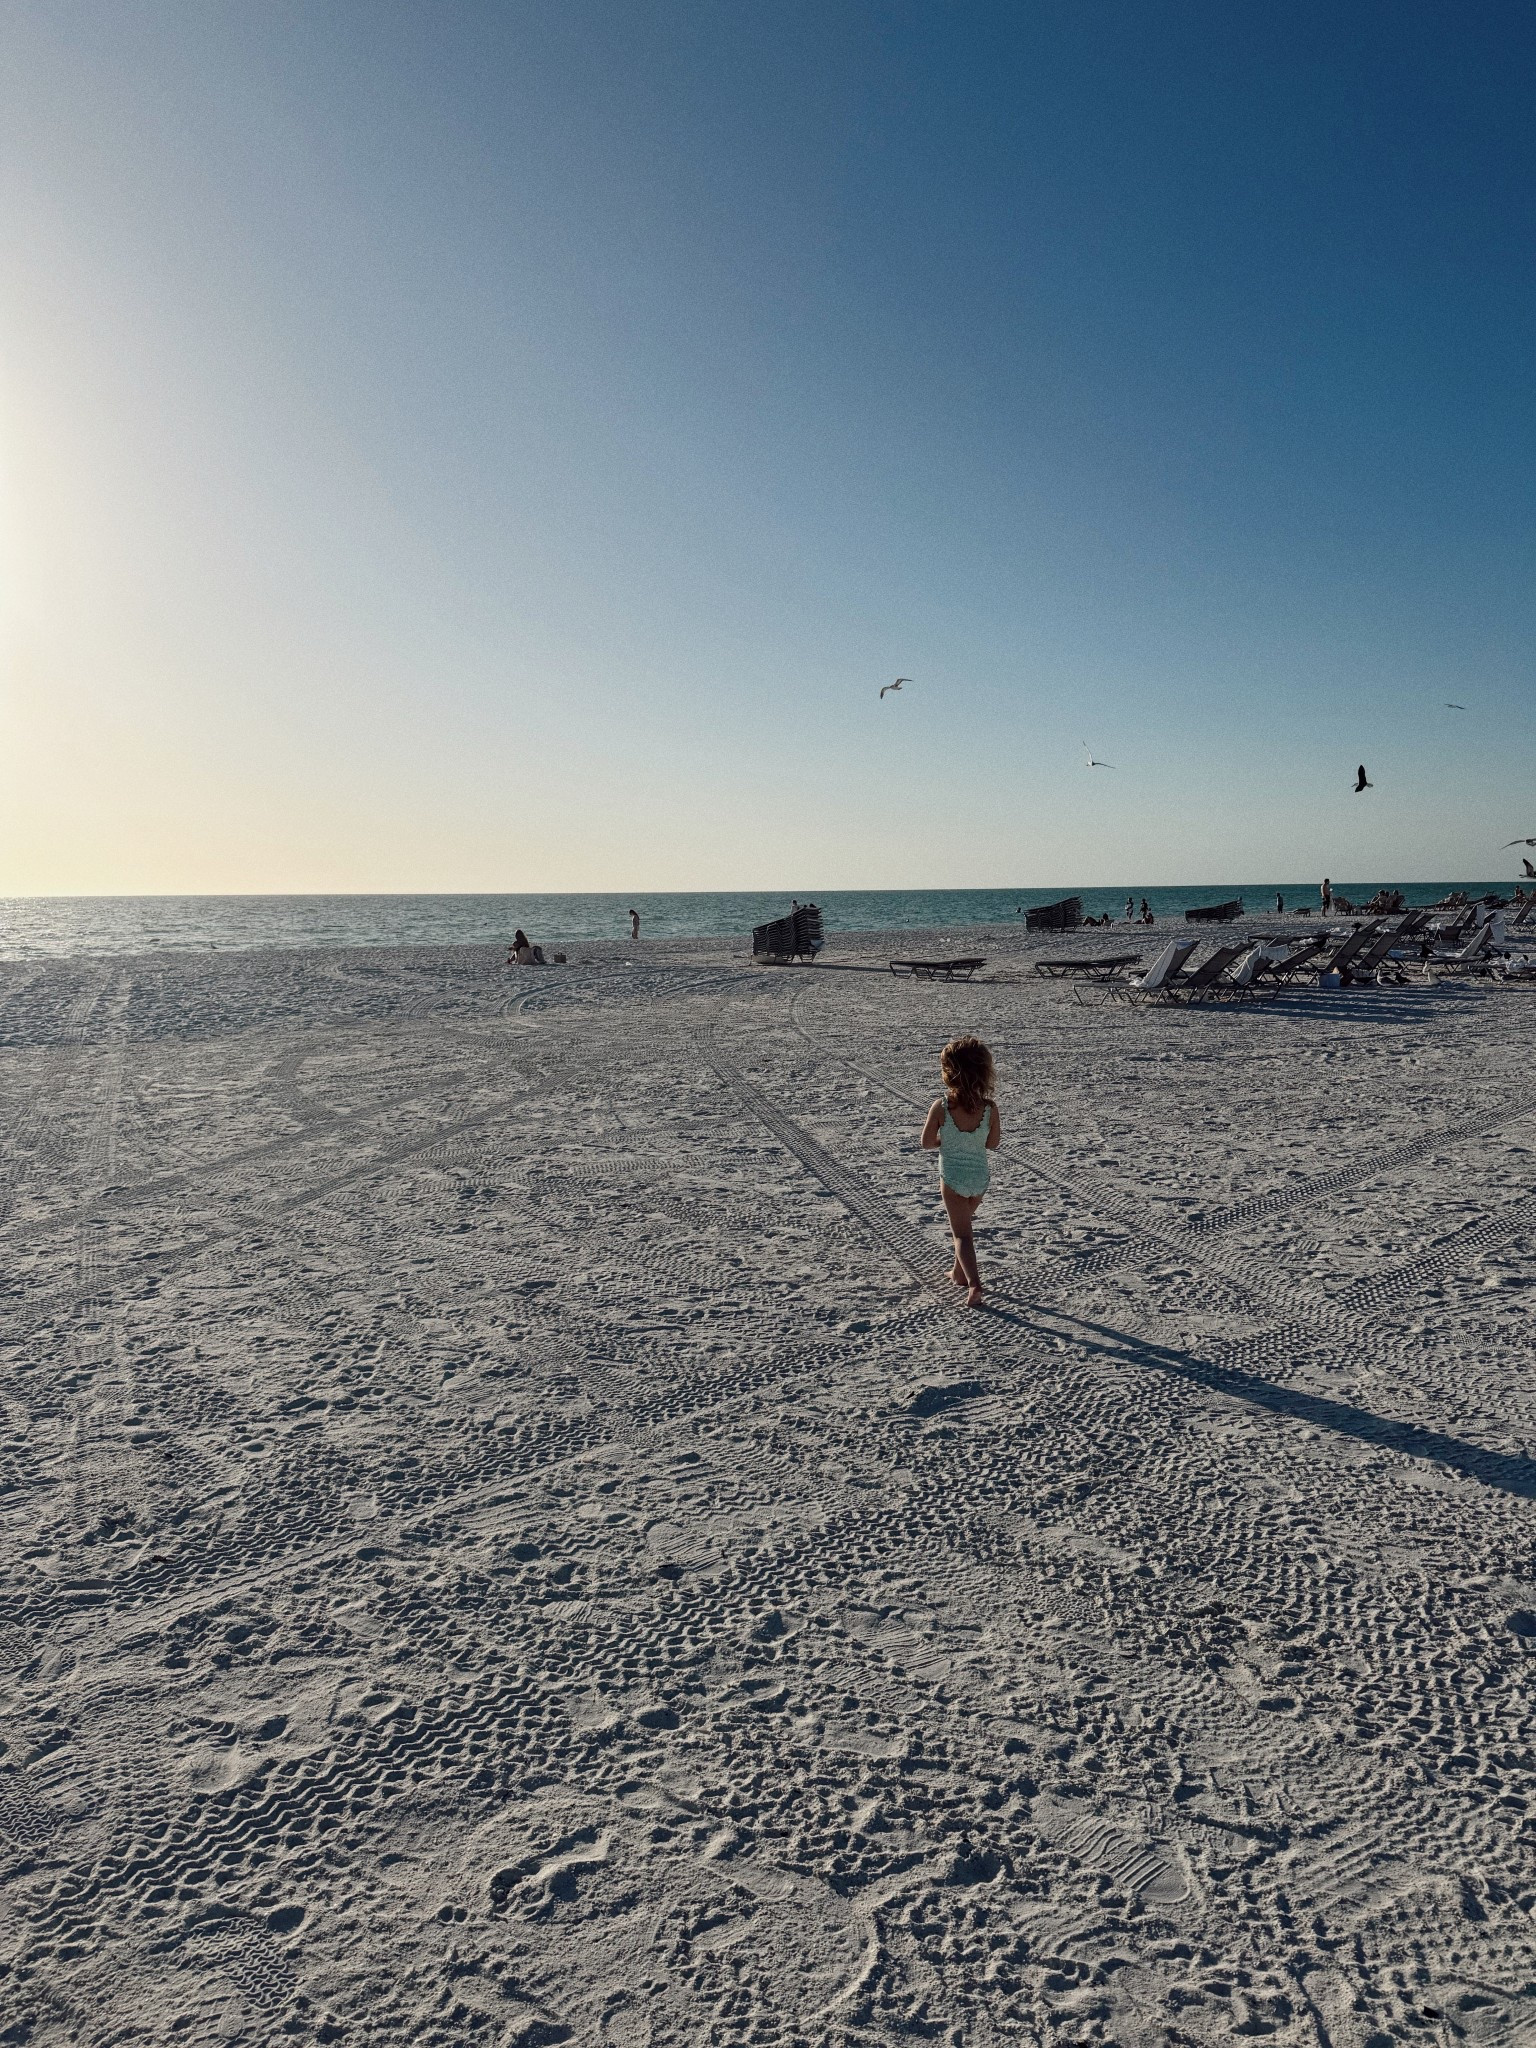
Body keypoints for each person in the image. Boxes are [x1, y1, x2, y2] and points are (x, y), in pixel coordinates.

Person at [920, 1036, 1000, 1308]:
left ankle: (974, 1284)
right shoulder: (989, 1108)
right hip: (979, 1179)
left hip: (952, 1179)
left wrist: (947, 1141)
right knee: (963, 1225)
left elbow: (926, 1142)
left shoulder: (942, 1106)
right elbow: (992, 1143)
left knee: (962, 1235)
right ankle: (958, 1273)